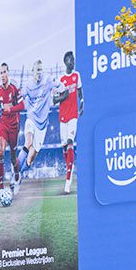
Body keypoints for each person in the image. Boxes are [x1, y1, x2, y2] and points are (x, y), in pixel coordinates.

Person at [0, 63, 22, 187]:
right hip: (4, 123)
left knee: (13, 157)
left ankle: (17, 173)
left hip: (14, 125)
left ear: (8, 72)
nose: (3, 75)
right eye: (1, 73)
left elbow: (22, 105)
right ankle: (1, 187)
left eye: (4, 72)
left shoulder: (14, 87)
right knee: (0, 151)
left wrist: (11, 109)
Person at [54, 50, 81, 193]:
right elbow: (55, 99)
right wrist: (62, 97)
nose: (73, 62)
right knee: (64, 146)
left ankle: (68, 181)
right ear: (65, 62)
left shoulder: (77, 76)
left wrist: (82, 103)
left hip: (73, 116)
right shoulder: (60, 80)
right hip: (62, 118)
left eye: (74, 60)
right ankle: (69, 166)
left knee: (70, 141)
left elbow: (80, 92)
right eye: (71, 60)